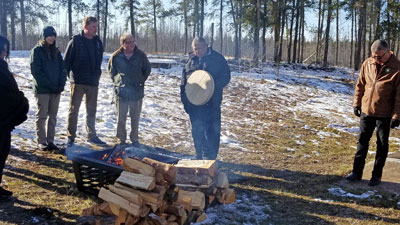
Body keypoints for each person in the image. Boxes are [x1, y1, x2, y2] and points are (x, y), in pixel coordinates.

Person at [347, 39, 400, 186]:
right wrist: (357, 104)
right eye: (374, 56)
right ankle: (356, 172)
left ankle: (376, 176)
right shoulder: (368, 63)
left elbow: (399, 96)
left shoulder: (397, 67)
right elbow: (360, 85)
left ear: (388, 52)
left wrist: (397, 116)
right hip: (366, 111)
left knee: (382, 145)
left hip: (384, 114)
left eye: (380, 56)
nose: (376, 59)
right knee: (362, 142)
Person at [180, 37, 231, 160]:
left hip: (211, 103)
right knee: (197, 131)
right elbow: (184, 84)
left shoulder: (217, 59)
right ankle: (199, 155)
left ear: (206, 46)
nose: (197, 51)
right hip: (194, 105)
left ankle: (210, 158)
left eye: (200, 48)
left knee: (212, 131)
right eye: (195, 49)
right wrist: (185, 103)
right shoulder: (191, 61)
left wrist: (212, 86)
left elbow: (226, 76)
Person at [64, 16, 105, 147]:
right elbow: (66, 62)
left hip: (93, 82)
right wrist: (69, 78)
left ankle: (91, 135)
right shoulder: (75, 41)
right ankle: (71, 137)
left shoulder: (98, 42)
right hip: (78, 81)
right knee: (74, 109)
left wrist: (97, 75)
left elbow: (99, 59)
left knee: (91, 110)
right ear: (86, 27)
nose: (96, 29)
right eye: (93, 26)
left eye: (96, 26)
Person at [108, 34, 151, 146]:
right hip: (121, 92)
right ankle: (121, 138)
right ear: (123, 44)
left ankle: (134, 139)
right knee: (121, 117)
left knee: (135, 117)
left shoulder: (140, 55)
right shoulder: (116, 56)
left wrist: (140, 80)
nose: (131, 44)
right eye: (128, 42)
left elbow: (147, 69)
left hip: (136, 92)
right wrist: (118, 82)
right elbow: (111, 71)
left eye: (133, 42)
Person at [0, 36, 29, 198]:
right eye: (2, 49)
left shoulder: (3, 67)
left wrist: (20, 101)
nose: (4, 53)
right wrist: (20, 101)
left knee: (2, 152)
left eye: (6, 49)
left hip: (4, 122)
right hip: (2, 118)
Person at [30, 26, 67, 151]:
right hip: (43, 90)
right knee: (42, 115)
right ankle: (41, 141)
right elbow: (37, 72)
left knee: (53, 115)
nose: (52, 38)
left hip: (56, 90)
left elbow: (63, 69)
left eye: (53, 35)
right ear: (44, 37)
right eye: (49, 35)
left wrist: (61, 84)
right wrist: (49, 85)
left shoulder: (56, 52)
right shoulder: (37, 51)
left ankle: (50, 140)